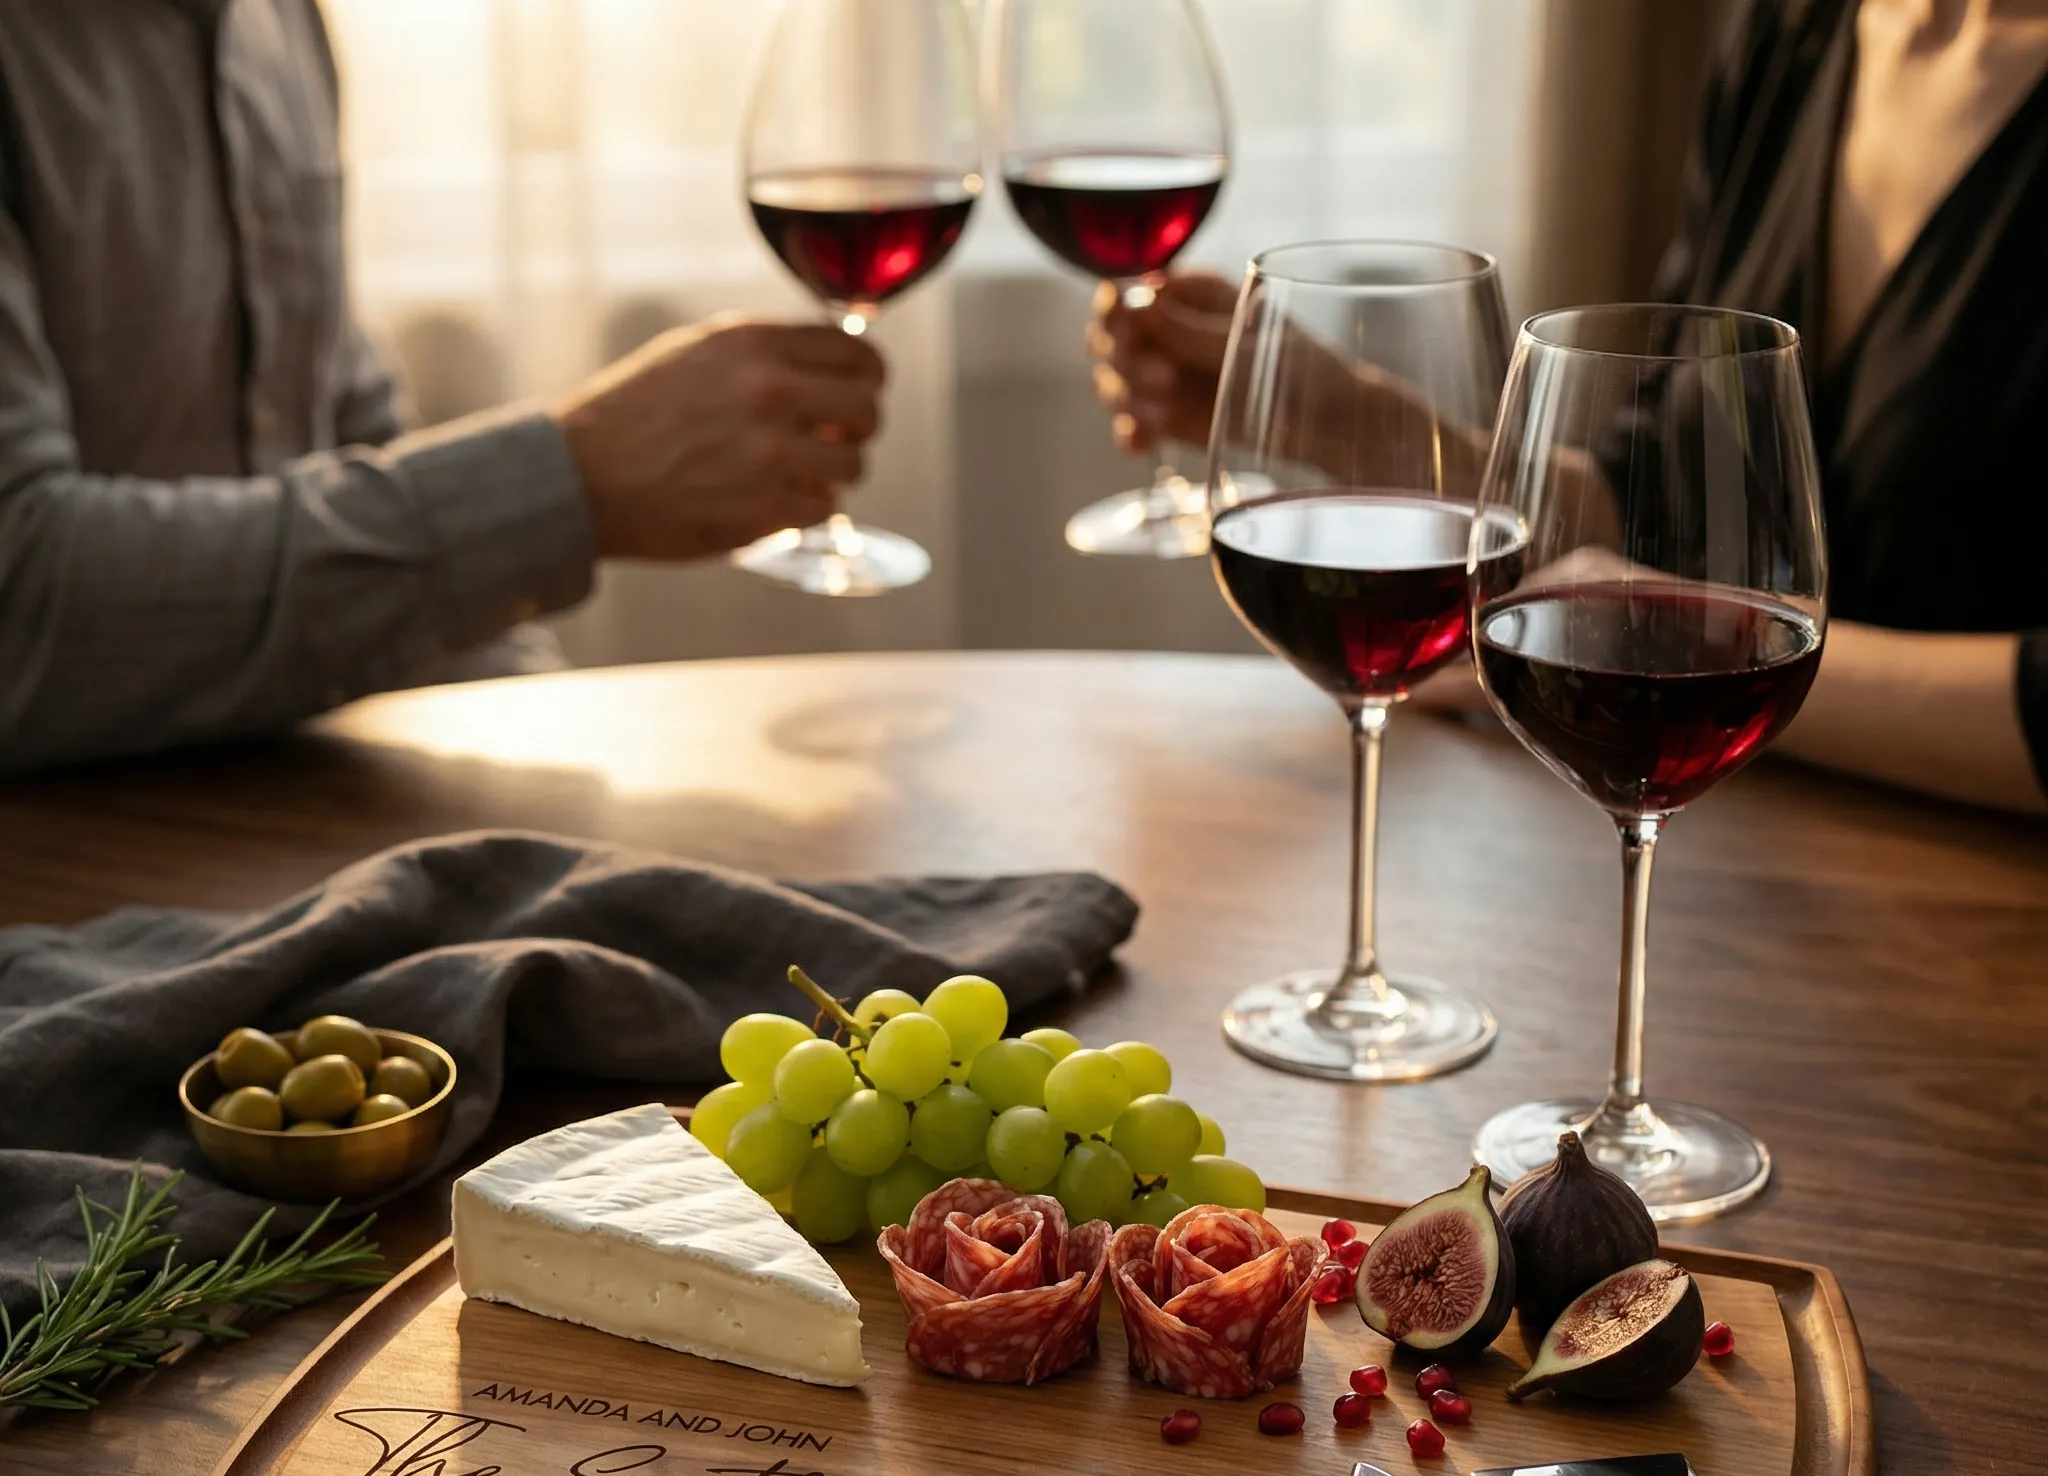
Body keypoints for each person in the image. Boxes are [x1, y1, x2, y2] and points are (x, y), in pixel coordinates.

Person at [1093, 0, 2048, 816]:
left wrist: (1680, 646)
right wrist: (1342, 418)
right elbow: (1657, 507)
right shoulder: (1793, 29)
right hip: (1737, 856)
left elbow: (1649, 583)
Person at [0, 1, 885, 772]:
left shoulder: (278, 22)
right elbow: (19, 606)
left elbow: (357, 458)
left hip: (299, 793)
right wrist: (567, 488)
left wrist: (549, 733)